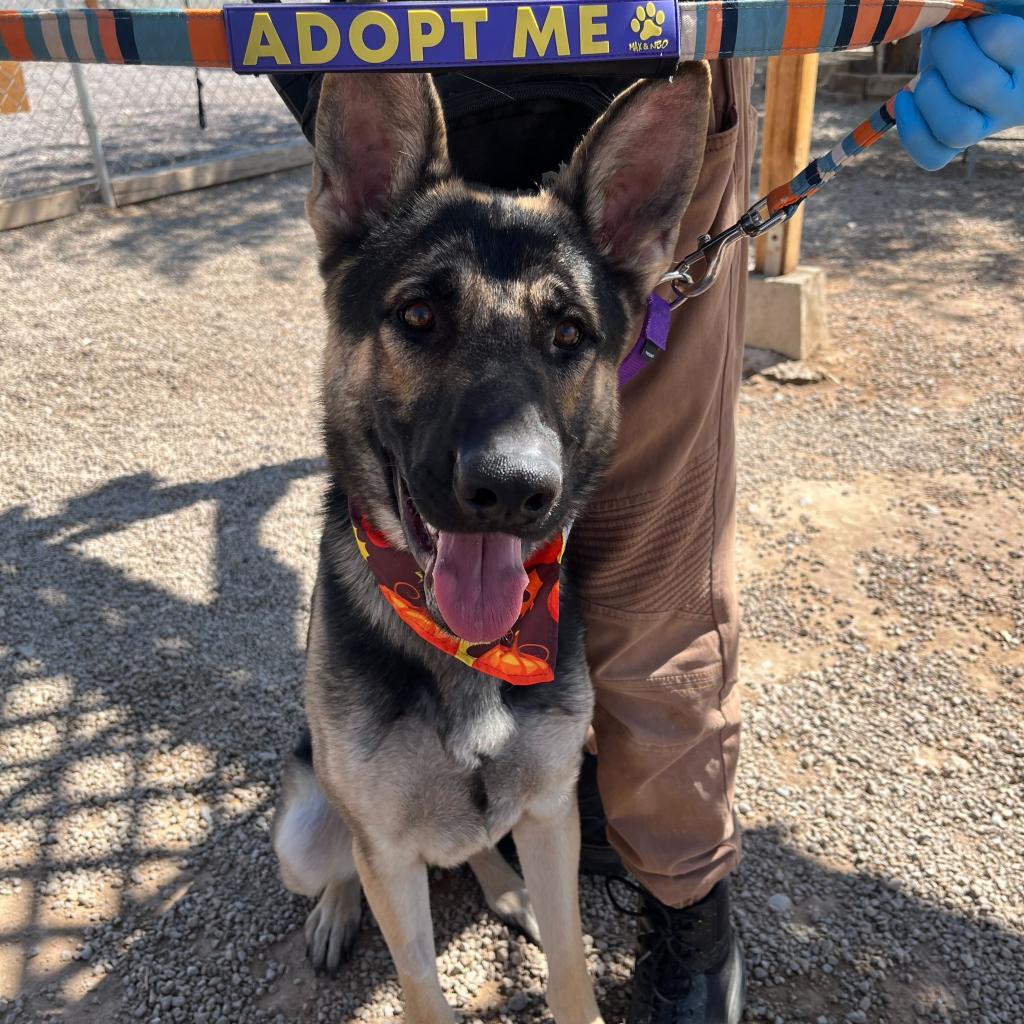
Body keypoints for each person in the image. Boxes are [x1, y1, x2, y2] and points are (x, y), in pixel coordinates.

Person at [268, 15, 1024, 1024]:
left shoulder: (624, 246)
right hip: (395, 46)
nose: (510, 465)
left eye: (567, 334)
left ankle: (678, 896)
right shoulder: (370, 222)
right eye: (417, 319)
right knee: (318, 844)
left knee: (656, 595)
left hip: (647, 55)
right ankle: (399, 876)